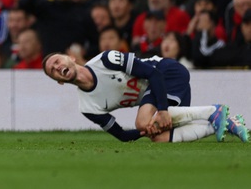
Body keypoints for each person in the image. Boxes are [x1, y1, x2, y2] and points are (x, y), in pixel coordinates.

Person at [42, 50, 249, 143]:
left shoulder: (105, 60)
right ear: (59, 81)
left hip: (167, 72)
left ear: (71, 57)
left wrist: (162, 111)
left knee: (142, 121)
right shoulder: (87, 107)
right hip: (155, 98)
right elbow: (122, 136)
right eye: (53, 70)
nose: (58, 67)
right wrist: (148, 131)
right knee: (159, 138)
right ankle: (224, 122)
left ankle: (214, 111)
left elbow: (153, 73)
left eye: (58, 61)